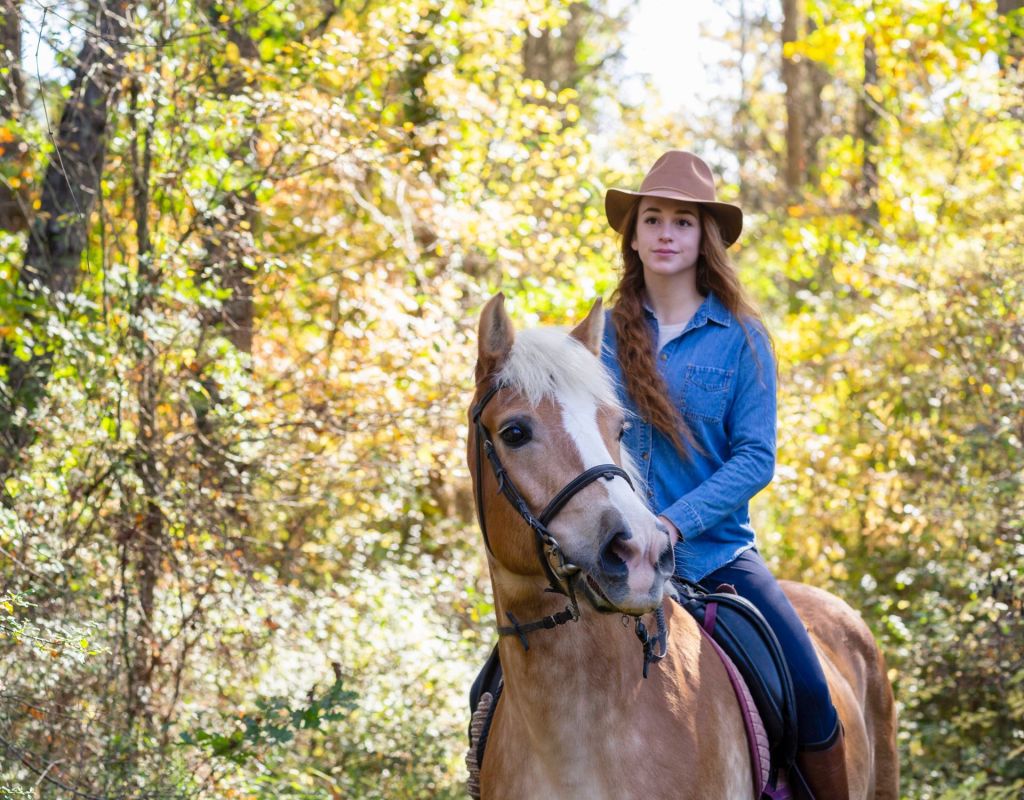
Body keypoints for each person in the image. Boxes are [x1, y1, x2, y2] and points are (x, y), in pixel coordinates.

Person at [600, 150, 849, 800]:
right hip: (615, 558)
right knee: (506, 670)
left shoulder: (741, 338)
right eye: (651, 218)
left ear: (703, 238)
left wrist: (672, 524)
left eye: (682, 222)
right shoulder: (601, 336)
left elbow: (753, 460)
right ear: (633, 234)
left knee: (810, 691)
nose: (664, 233)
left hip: (715, 557)